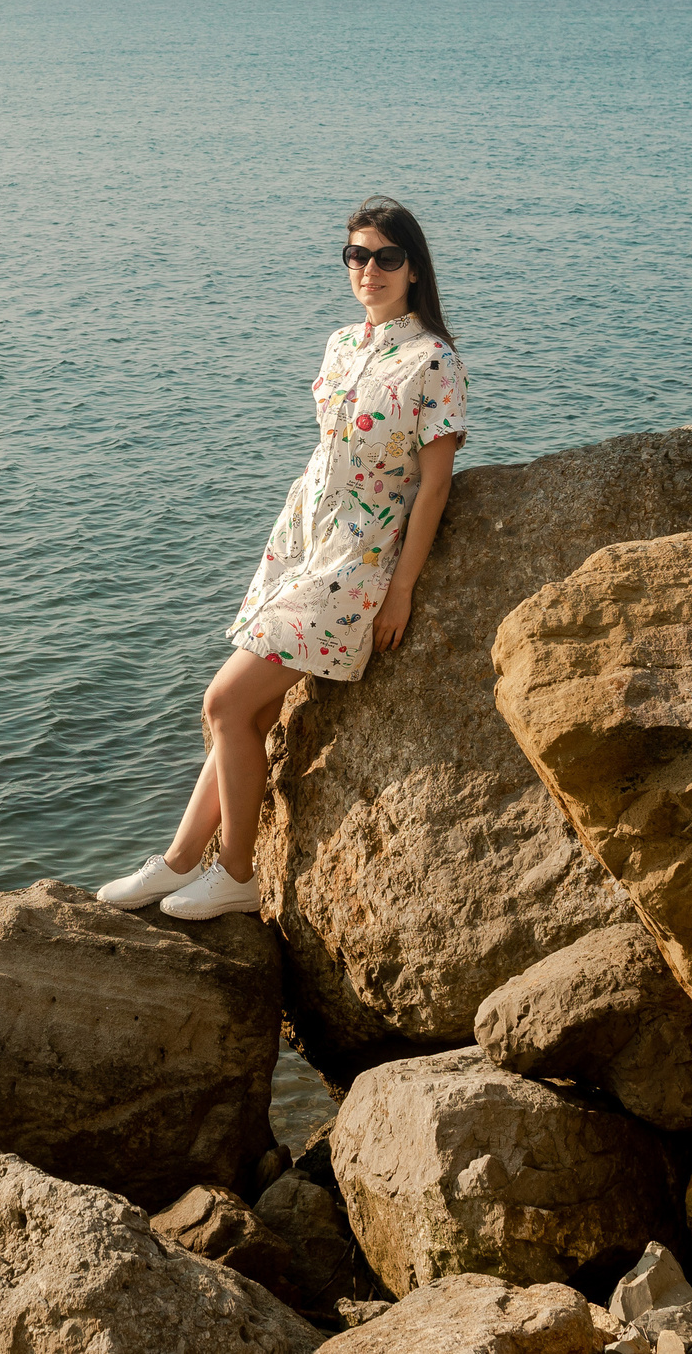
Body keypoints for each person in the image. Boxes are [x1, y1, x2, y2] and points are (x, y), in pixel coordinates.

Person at [99, 196, 468, 920]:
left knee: (223, 703)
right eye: (357, 256)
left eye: (386, 257)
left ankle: (236, 873)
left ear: (415, 268)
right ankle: (177, 862)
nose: (369, 270)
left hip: (356, 562)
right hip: (300, 547)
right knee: (245, 717)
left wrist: (401, 591)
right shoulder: (342, 344)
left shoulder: (434, 361)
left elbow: (434, 485)